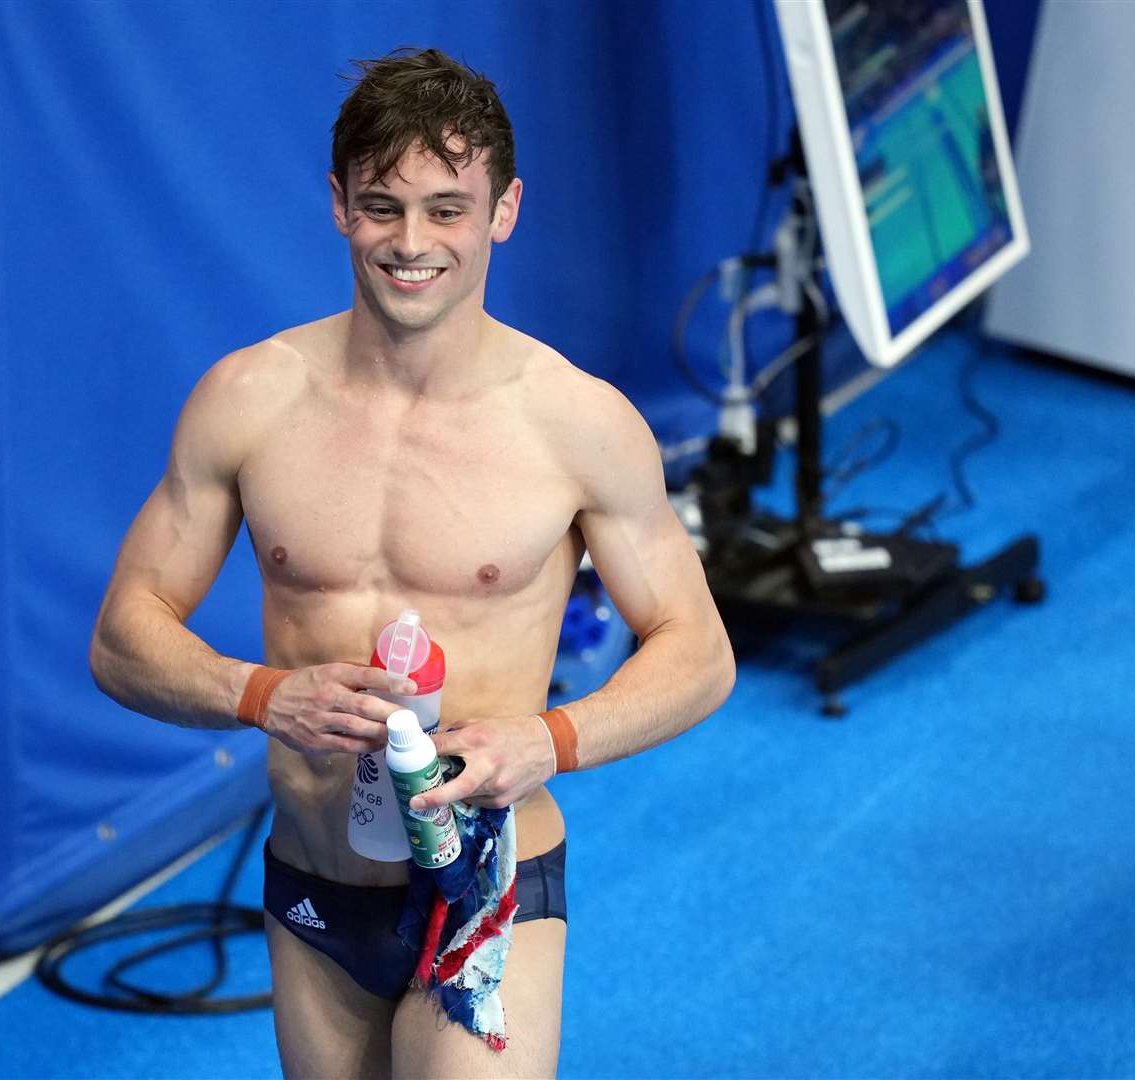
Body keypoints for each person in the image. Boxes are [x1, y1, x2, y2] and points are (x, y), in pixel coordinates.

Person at [89, 46, 735, 1079]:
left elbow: (699, 654)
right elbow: (123, 636)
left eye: (447, 208)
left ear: (504, 210)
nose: (412, 242)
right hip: (312, 889)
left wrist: (549, 739)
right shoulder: (250, 400)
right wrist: (261, 696)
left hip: (489, 886)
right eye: (382, 205)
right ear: (339, 206)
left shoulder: (576, 423)